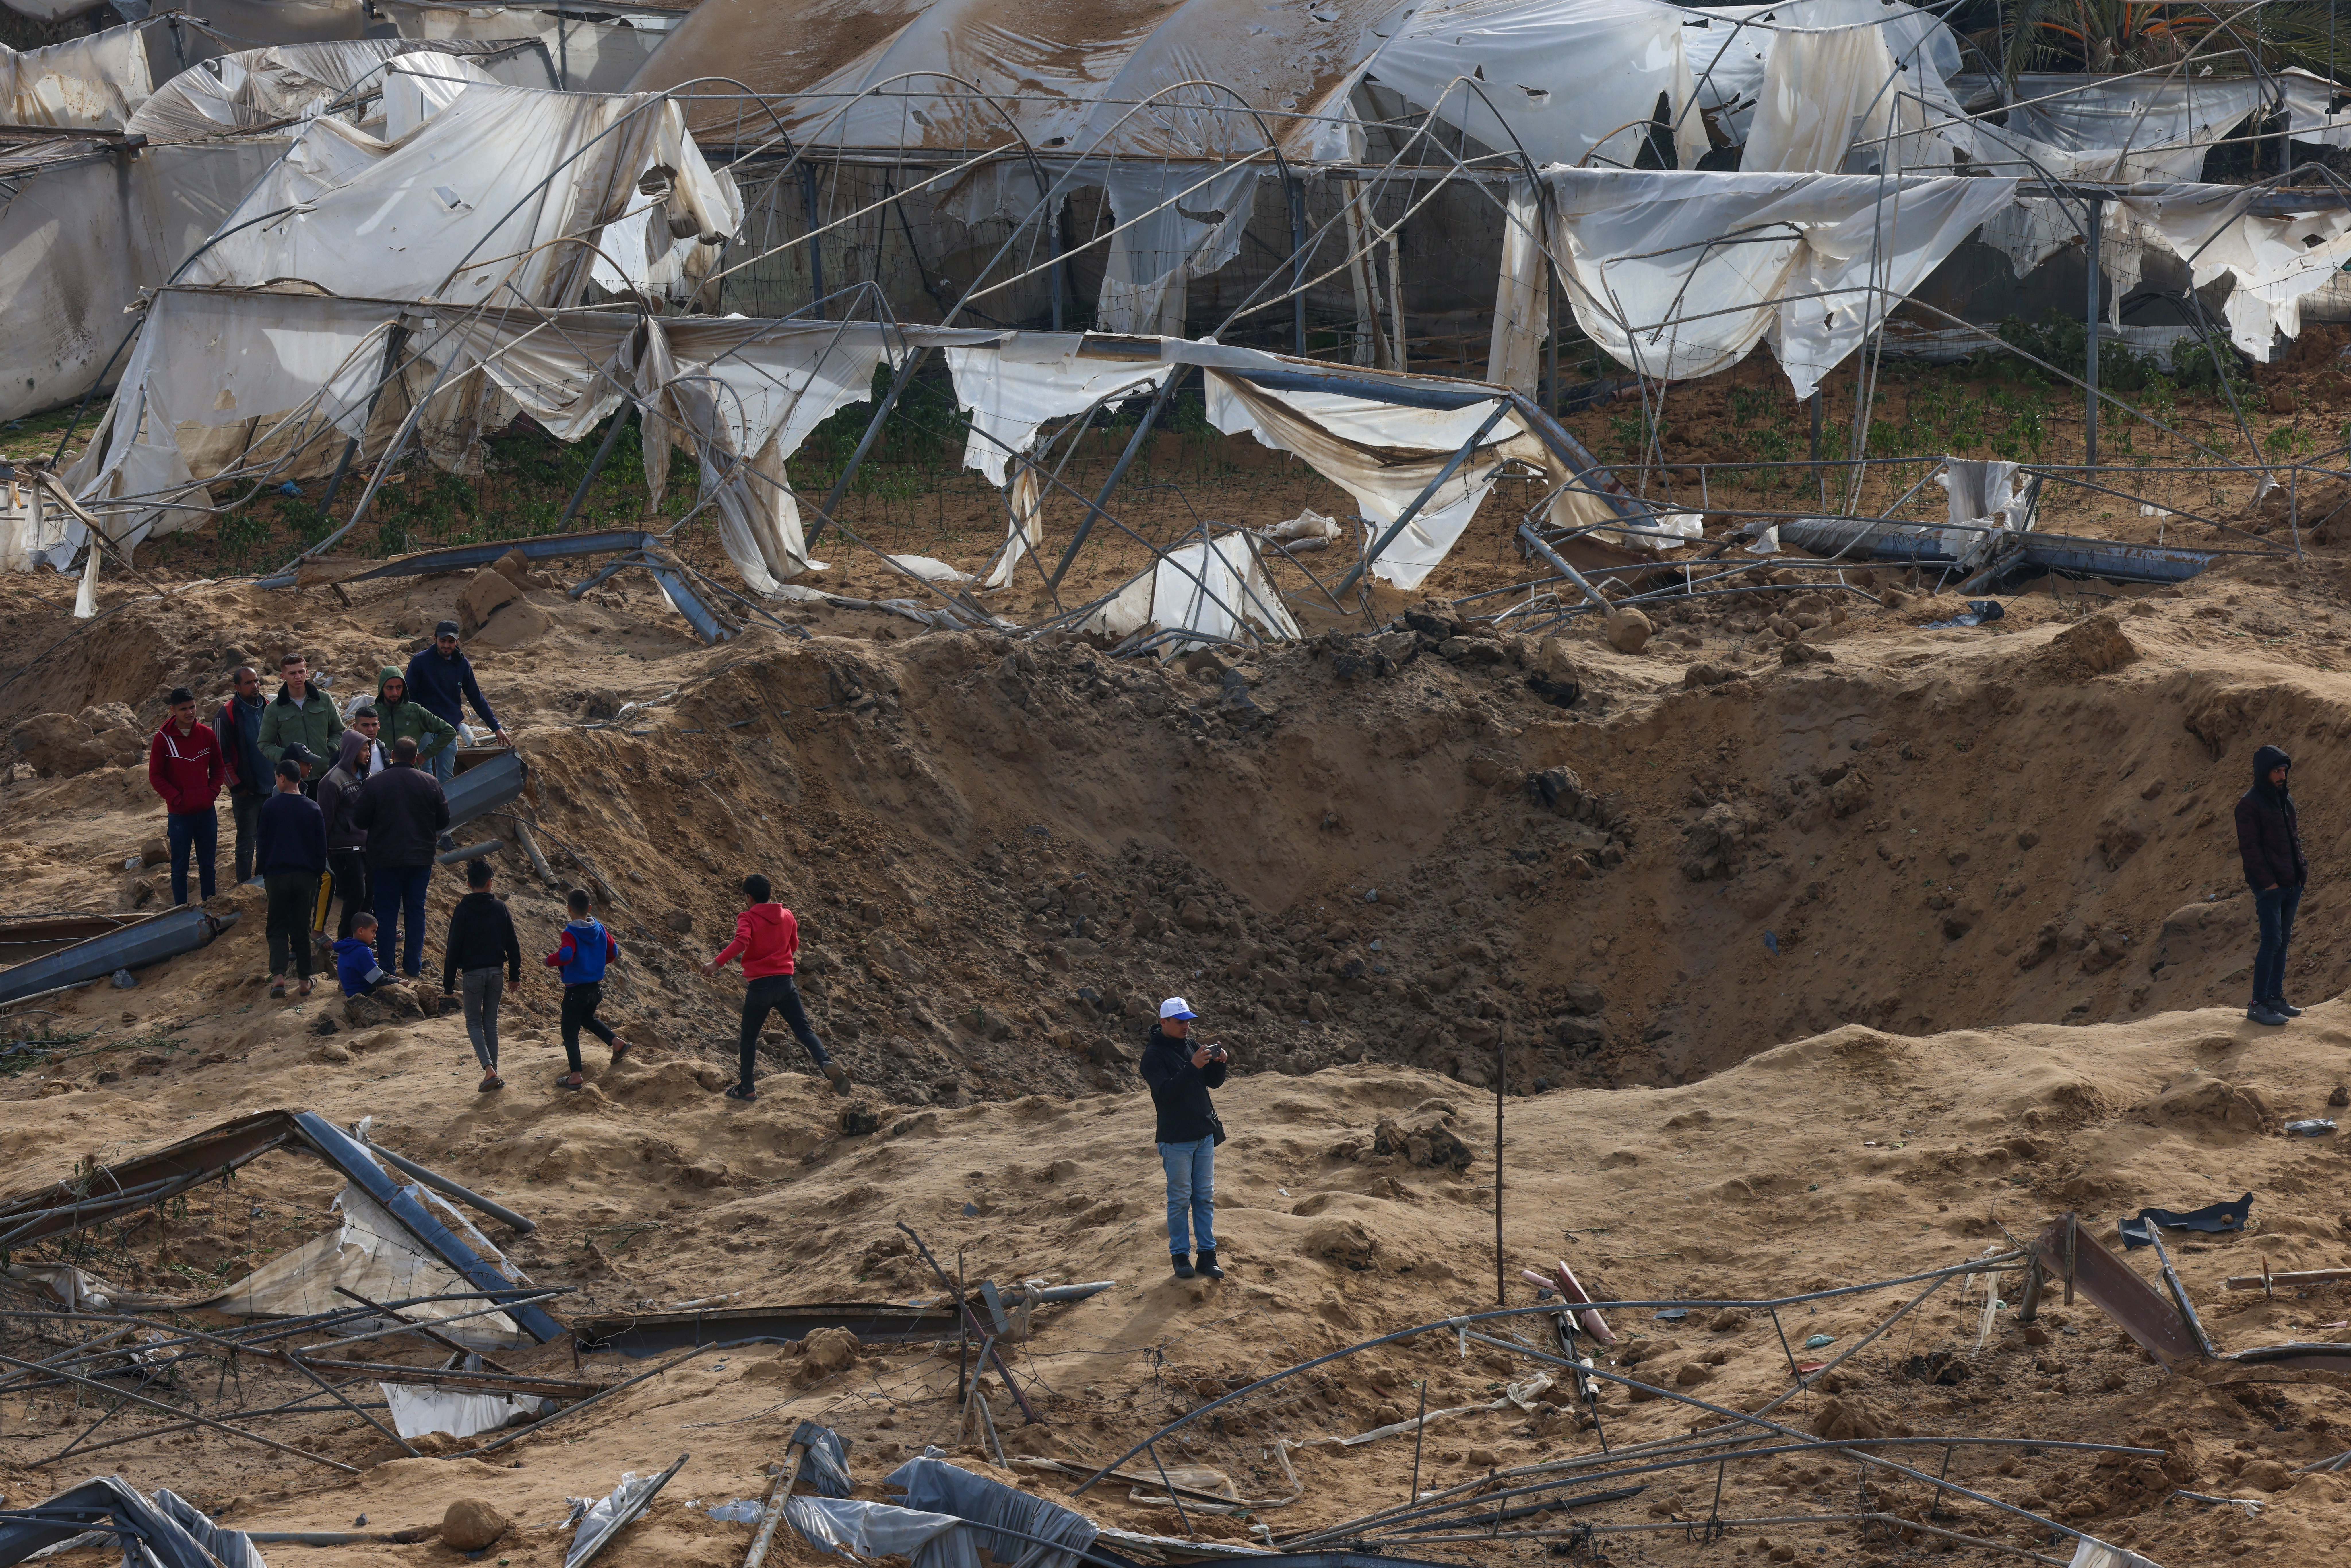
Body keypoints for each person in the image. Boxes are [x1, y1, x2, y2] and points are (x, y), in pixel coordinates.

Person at [700, 873, 851, 1102]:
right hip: (785, 984)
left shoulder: (747, 918)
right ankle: (825, 1062)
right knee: (804, 1031)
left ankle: (747, 1089)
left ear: (749, 898)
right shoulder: (788, 916)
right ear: (770, 895)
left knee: (750, 1037)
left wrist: (716, 963)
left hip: (760, 987)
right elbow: (794, 945)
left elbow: (742, 942)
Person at [1138, 997, 1229, 1281]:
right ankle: (1180, 1257)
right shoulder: (1153, 1055)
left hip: (1202, 1135)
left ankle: (1207, 1256)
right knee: (1179, 1200)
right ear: (1163, 1022)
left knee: (1204, 1198)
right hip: (1176, 1140)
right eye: (1179, 1022)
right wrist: (1192, 1066)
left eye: (1188, 1020)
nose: (1186, 1026)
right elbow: (1165, 1093)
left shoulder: (1191, 1045)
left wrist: (1218, 1064)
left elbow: (1211, 1083)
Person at [350, 736, 449, 978]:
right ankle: (413, 966)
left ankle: (386, 966)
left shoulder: (375, 784)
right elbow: (444, 820)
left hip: (385, 859)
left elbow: (359, 820)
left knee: (386, 913)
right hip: (421, 859)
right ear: (416, 758)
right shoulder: (430, 782)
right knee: (416, 911)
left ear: (392, 755)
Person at [2238, 743, 2310, 1027]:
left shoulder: (2284, 799)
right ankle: (2258, 1003)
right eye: (2276, 771)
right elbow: (2250, 849)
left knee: (2282, 941)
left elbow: (2293, 839)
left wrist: (2300, 871)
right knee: (2271, 941)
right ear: (2263, 772)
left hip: (2292, 882)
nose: (2281, 776)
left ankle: (2275, 997)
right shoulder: (2249, 804)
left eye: (2283, 770)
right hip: (2270, 887)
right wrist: (2267, 883)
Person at [442, 857, 523, 1092]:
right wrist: (515, 975)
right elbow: (513, 943)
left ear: (468, 884)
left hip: (473, 975)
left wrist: (448, 984)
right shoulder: (501, 907)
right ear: (490, 883)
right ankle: (494, 1074)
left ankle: (490, 1071)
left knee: (473, 1024)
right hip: (497, 973)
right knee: (491, 1023)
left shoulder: (462, 910)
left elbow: (453, 947)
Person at [254, 758, 327, 998]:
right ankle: (305, 981)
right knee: (301, 928)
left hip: (277, 876)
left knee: (276, 926)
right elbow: (321, 849)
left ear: (282, 778)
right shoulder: (313, 808)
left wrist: (264, 871)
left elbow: (262, 844)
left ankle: (278, 979)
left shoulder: (270, 807)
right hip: (306, 876)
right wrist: (315, 874)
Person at [146, 687, 225, 907]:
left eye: (192, 707)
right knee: (180, 867)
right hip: (180, 816)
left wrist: (211, 793)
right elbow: (156, 776)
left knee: (208, 864)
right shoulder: (162, 740)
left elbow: (218, 768)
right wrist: (177, 799)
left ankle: (211, 905)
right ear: (173, 710)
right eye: (184, 709)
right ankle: (181, 909)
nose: (190, 713)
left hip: (206, 812)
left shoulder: (207, 734)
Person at [406, 622, 512, 784]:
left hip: (448, 728)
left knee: (447, 778)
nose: (446, 645)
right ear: (435, 639)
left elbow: (476, 697)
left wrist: (496, 727)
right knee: (424, 773)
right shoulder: (420, 661)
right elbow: (409, 697)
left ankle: (446, 808)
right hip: (424, 726)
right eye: (443, 641)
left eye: (451, 641)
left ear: (457, 642)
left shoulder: (462, 664)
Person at [546, 888, 628, 1090]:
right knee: (587, 1019)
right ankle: (617, 1043)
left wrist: (549, 961)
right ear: (590, 908)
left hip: (576, 992)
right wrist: (600, 963)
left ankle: (575, 1076)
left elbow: (566, 956)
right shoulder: (600, 928)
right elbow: (614, 951)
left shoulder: (571, 933)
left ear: (569, 909)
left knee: (570, 1033)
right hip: (595, 989)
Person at [317, 727, 381, 940]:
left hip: (367, 846)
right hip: (344, 848)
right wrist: (323, 849)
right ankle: (345, 941)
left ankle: (361, 940)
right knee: (356, 895)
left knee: (370, 893)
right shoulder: (331, 781)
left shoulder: (365, 777)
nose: (368, 754)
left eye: (369, 750)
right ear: (352, 751)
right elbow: (324, 819)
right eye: (364, 750)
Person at [257, 651, 343, 795]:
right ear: (283, 676)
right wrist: (286, 757)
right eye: (292, 673)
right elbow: (264, 744)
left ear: (307, 672)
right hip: (294, 780)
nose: (298, 677)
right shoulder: (274, 709)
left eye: (301, 672)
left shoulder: (324, 700)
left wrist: (330, 750)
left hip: (326, 773)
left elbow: (339, 731)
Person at [216, 666, 269, 884]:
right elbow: (221, 756)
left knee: (268, 840)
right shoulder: (227, 713)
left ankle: (266, 882)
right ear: (237, 687)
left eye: (256, 681)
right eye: (248, 683)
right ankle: (244, 886)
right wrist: (236, 786)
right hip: (246, 790)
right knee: (247, 841)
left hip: (272, 787)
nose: (254, 686)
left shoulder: (268, 707)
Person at [372, 666, 457, 769]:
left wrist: (424, 756)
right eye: (390, 688)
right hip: (379, 772)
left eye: (399, 688)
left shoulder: (415, 711)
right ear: (382, 688)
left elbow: (449, 731)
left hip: (409, 773)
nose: (395, 693)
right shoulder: (372, 714)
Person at [334, 912, 400, 996]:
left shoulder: (348, 947)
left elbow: (372, 970)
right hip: (364, 994)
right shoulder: (363, 952)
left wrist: (392, 977)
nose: (375, 936)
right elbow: (378, 980)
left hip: (351, 992)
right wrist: (398, 982)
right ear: (361, 931)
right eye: (373, 932)